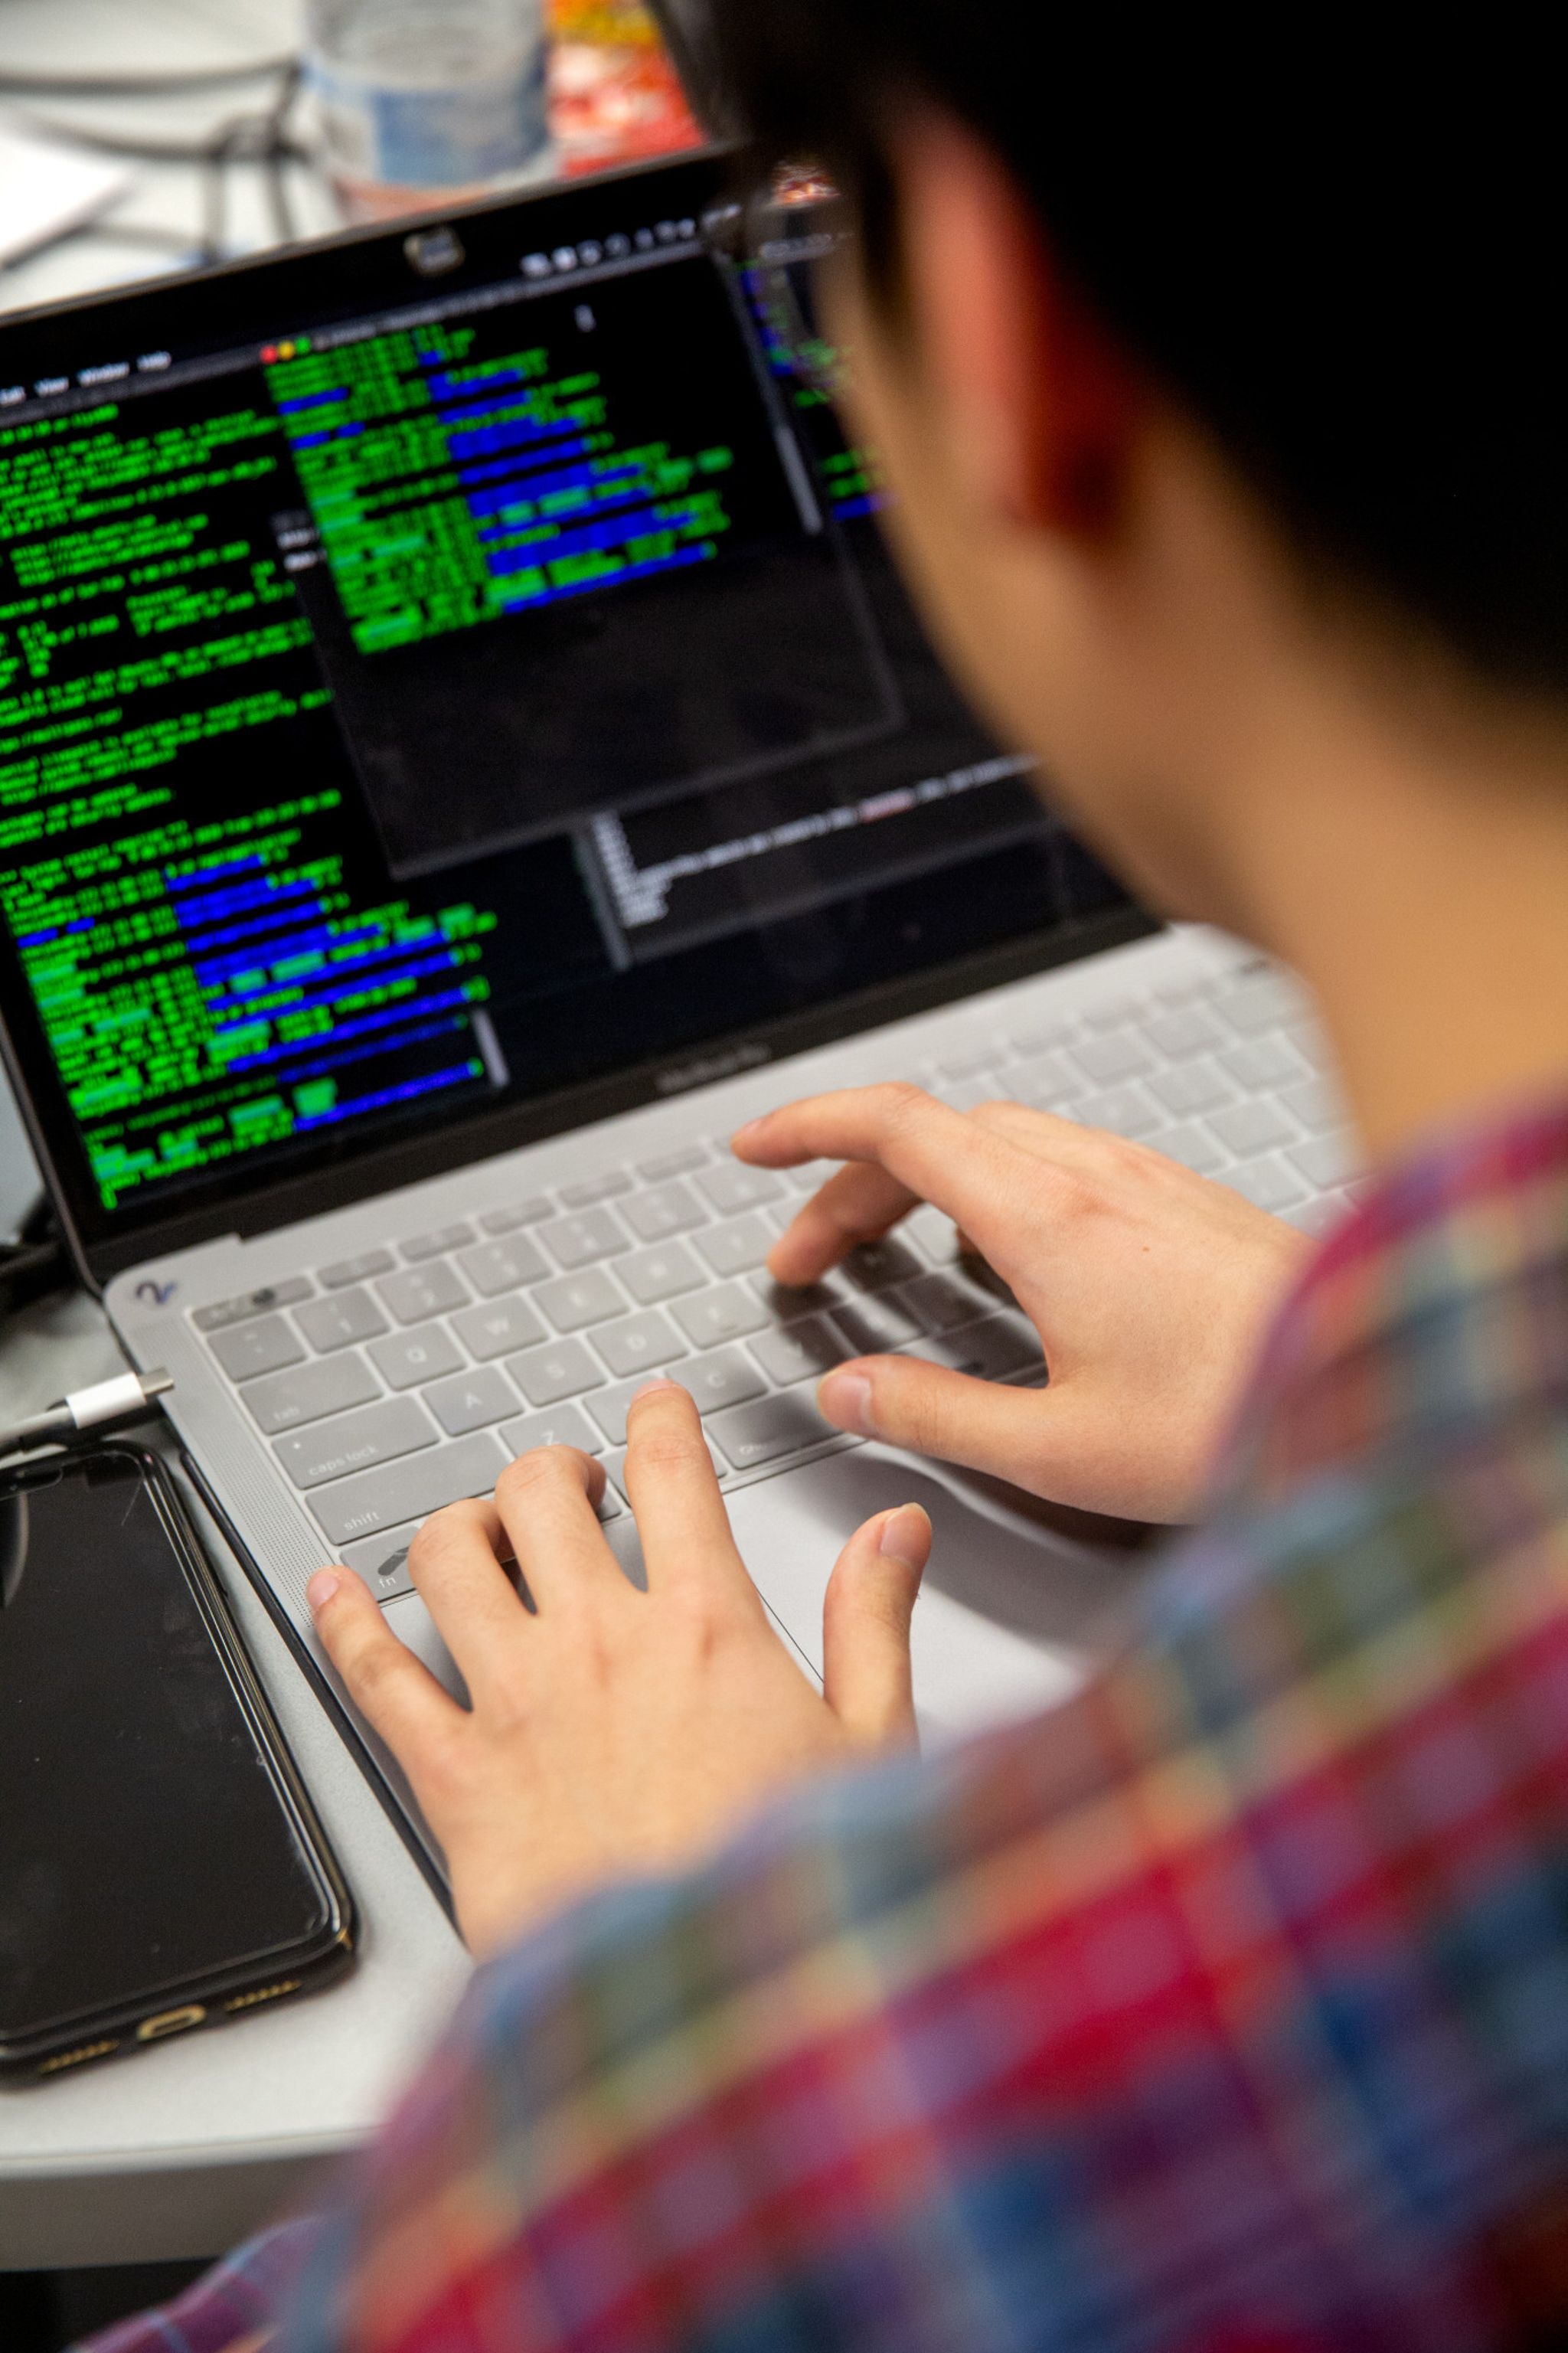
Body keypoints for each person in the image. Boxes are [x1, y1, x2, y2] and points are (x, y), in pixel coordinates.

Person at [90, 9, 1568, 2349]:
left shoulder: (800, 2153)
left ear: (1007, 322)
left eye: (805, 267)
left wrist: (688, 1979)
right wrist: (1331, 1371)